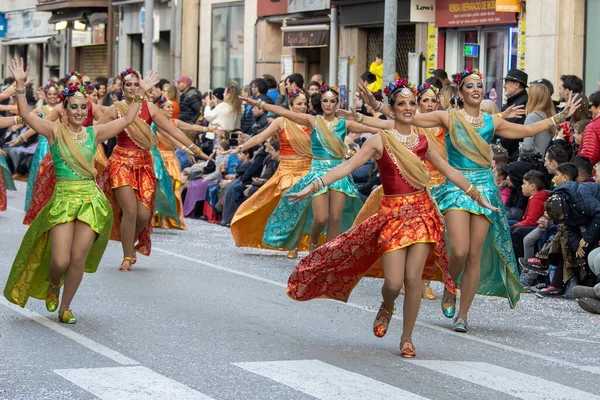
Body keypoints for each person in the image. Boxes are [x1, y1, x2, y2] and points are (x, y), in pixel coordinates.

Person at [356, 67, 581, 332]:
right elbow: (409, 118)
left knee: (474, 254)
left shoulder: (491, 122)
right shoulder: (448, 117)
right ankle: (450, 284)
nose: (476, 89)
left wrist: (559, 117)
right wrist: (377, 104)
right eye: (470, 86)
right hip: (456, 187)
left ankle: (462, 314)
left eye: (479, 85)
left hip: (485, 188)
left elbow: (527, 130)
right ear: (461, 92)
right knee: (459, 250)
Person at [286, 78, 497, 357]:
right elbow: (347, 166)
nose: (408, 108)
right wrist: (313, 186)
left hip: (422, 214)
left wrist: (476, 194)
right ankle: (387, 305)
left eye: (412, 103)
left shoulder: (423, 141)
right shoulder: (378, 141)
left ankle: (407, 338)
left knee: (412, 279)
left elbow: (448, 170)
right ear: (393, 108)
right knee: (394, 283)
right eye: (402, 104)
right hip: (392, 216)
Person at [3, 58, 157, 323]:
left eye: (82, 107)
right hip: (63, 200)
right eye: (73, 106)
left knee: (77, 258)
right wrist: (19, 86)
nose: (78, 111)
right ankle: (53, 284)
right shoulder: (53, 131)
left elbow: (130, 117)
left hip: (90, 201)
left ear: (87, 110)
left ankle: (65, 307)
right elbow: (27, 116)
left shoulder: (94, 133)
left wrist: (140, 91)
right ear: (64, 109)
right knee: (60, 261)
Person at [243, 85, 379, 252]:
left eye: (332, 101)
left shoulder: (345, 124)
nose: (328, 104)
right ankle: (313, 242)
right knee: (321, 217)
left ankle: (328, 255)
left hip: (339, 172)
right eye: (325, 101)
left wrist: (382, 117)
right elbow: (284, 112)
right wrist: (259, 104)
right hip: (317, 172)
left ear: (337, 103)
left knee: (335, 218)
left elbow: (377, 128)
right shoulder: (312, 121)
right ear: (321, 103)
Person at [97, 68, 206, 272]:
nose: (131, 88)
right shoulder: (115, 109)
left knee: (143, 215)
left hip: (145, 164)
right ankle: (127, 256)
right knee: (129, 210)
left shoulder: (151, 109)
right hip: (121, 163)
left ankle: (129, 239)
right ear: (122, 88)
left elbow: (172, 130)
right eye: (127, 85)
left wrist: (195, 149)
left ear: (142, 87)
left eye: (135, 84)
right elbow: (94, 132)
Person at [230, 89, 313, 258]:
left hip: (307, 169)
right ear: (290, 105)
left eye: (305, 104)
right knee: (288, 204)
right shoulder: (281, 121)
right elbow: (259, 138)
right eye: (299, 104)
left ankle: (294, 245)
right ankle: (281, 238)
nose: (303, 107)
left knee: (303, 207)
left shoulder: (311, 122)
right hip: (286, 170)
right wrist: (239, 148)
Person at [151, 97, 213, 229]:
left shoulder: (174, 122)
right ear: (159, 110)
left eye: (172, 107)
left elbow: (187, 129)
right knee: (158, 189)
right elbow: (169, 136)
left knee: (173, 188)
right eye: (168, 107)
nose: (171, 109)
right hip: (158, 158)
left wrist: (208, 130)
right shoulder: (155, 124)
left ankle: (170, 219)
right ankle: (156, 218)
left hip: (171, 158)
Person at [499, 68, 529, 157]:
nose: (504, 86)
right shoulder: (514, 102)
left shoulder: (521, 104)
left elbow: (511, 130)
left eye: (507, 82)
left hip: (512, 153)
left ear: (516, 84)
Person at [521, 84, 555, 156]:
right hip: (548, 161)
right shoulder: (552, 117)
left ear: (533, 99)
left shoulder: (532, 117)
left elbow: (527, 146)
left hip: (535, 161)